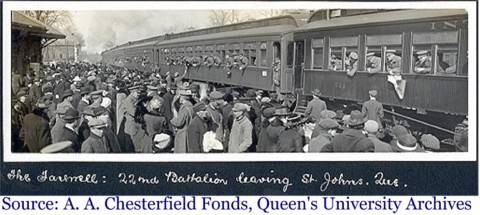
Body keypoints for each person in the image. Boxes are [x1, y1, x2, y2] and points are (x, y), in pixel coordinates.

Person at [170, 87, 194, 153]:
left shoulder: (184, 108)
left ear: (182, 98)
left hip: (183, 134)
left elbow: (179, 122)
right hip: (188, 131)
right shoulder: (190, 106)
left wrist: (172, 120)